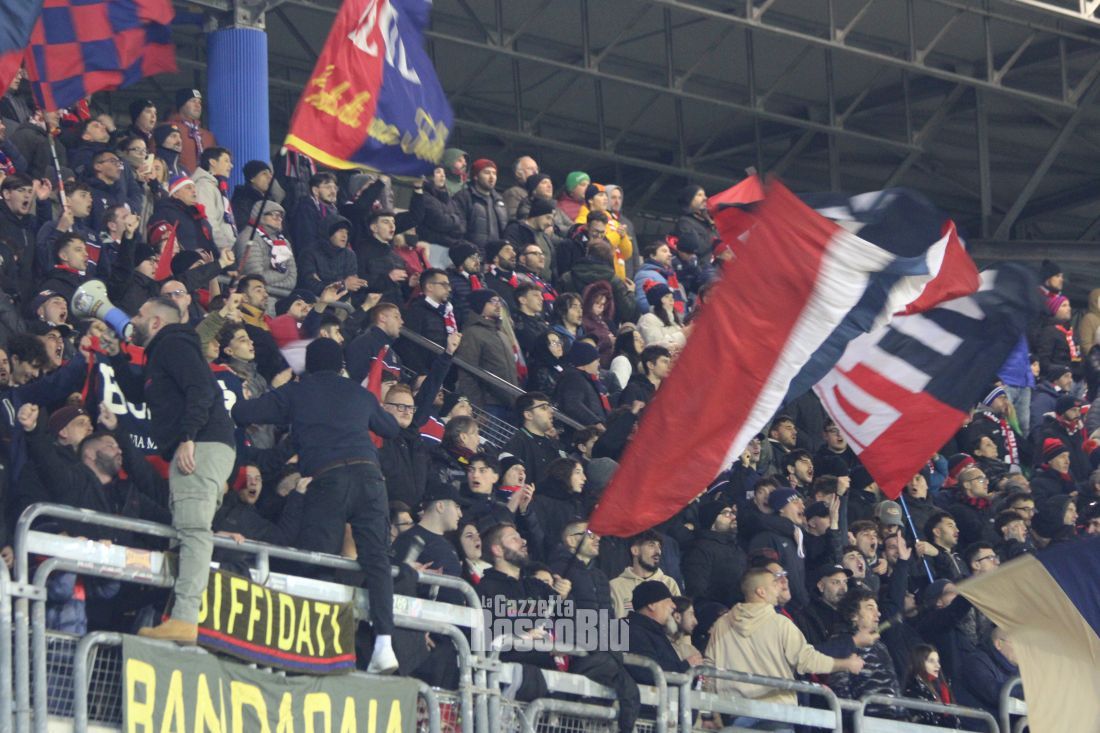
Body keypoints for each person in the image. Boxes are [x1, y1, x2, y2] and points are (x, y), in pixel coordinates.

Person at [230, 338, 402, 673]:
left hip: (328, 479)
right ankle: (384, 645)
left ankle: (308, 647)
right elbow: (390, 428)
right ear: (341, 366)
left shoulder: (298, 391)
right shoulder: (359, 394)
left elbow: (243, 413)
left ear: (308, 365)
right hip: (370, 477)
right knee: (377, 559)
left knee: (317, 557)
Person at [107, 296, 236, 643]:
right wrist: (117, 357)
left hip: (200, 444)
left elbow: (201, 390)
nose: (133, 319)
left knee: (192, 531)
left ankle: (184, 620)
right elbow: (139, 393)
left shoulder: (175, 345)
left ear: (155, 322)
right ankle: (178, 620)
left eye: (139, 314)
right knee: (185, 532)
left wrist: (189, 436)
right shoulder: (161, 352)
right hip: (201, 443)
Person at [706, 567, 863, 717]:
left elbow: (709, 670)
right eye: (774, 583)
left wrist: (709, 713)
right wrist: (846, 664)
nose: (780, 586)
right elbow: (806, 660)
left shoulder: (722, 624)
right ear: (761, 592)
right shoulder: (780, 624)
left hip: (732, 710)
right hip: (776, 712)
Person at [454, 289, 519, 418]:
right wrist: (477, 408)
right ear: (480, 304)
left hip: (509, 405)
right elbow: (467, 372)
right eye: (493, 301)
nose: (498, 305)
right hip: (488, 406)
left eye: (499, 301)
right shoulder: (472, 333)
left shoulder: (501, 334)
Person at [624, 580, 690, 685]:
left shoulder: (654, 631)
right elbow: (646, 672)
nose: (674, 606)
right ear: (652, 605)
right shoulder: (630, 631)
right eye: (668, 600)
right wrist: (686, 666)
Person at [683, 499, 746, 608]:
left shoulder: (736, 547)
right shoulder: (699, 549)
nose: (733, 517)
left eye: (732, 513)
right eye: (726, 513)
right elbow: (697, 591)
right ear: (711, 520)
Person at [609, 530, 682, 618]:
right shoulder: (615, 586)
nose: (658, 551)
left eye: (659, 546)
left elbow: (679, 620)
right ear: (635, 550)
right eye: (651, 545)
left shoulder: (669, 583)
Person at [453, 158, 507, 250]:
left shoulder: (499, 200)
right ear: (476, 176)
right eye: (487, 173)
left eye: (494, 173)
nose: (492, 177)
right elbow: (459, 228)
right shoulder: (464, 196)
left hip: (495, 255)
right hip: (471, 253)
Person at [902, 644, 961, 728]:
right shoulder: (913, 691)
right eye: (931, 661)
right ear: (919, 663)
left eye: (938, 661)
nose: (938, 665)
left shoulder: (942, 688)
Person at [191, 147, 236, 251]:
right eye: (226, 161)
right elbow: (209, 221)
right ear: (213, 162)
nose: (231, 165)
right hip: (219, 250)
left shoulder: (216, 187)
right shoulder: (204, 186)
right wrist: (224, 248)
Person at [166, 89, 216, 173]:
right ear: (182, 104)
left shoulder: (208, 136)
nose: (198, 105)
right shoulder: (167, 129)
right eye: (193, 101)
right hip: (179, 179)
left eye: (199, 102)